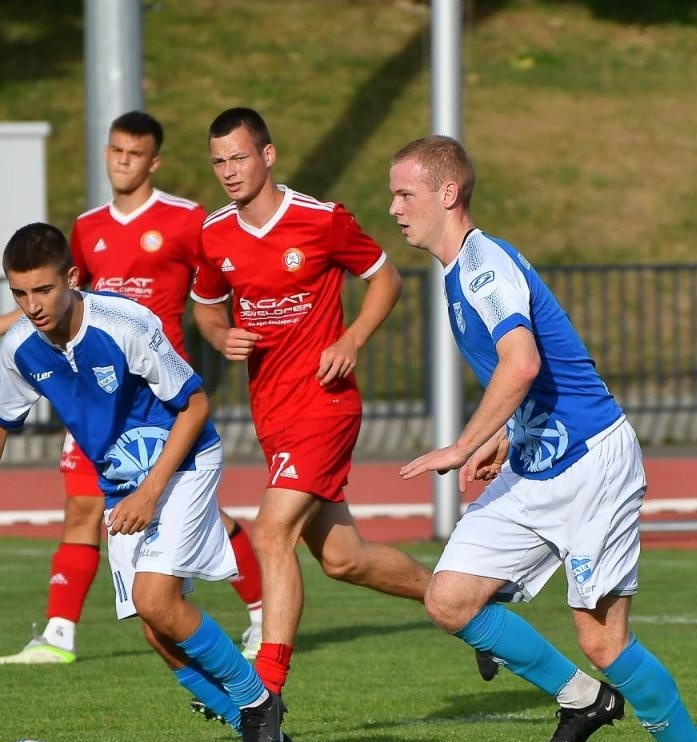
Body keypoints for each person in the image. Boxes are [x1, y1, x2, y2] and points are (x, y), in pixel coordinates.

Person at [388, 135, 697, 742]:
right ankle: (582, 700)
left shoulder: (484, 267)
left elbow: (523, 364)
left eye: (405, 194)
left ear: (447, 194)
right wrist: (509, 440)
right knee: (450, 599)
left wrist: (462, 444)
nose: (394, 208)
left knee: (602, 637)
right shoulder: (458, 273)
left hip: (592, 466)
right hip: (538, 464)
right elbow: (537, 378)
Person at [0, 222, 300, 742]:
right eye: (19, 294)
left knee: (154, 598)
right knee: (155, 628)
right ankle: (266, 735)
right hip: (124, 484)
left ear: (71, 279)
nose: (32, 306)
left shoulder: (125, 325)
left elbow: (194, 406)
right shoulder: (21, 346)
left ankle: (259, 706)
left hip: (185, 463)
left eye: (42, 290)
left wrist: (151, 492)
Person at [0, 111, 265, 666]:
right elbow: (53, 294)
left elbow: (220, 278)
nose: (121, 162)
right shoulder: (87, 227)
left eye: (133, 154)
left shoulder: (187, 219)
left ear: (152, 161)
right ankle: (60, 634)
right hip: (90, 392)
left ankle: (261, 617)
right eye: (114, 151)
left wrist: (232, 322)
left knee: (199, 521)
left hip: (155, 396)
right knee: (83, 510)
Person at [190, 107, 496, 695]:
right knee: (344, 560)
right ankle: (472, 609)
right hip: (272, 416)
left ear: (268, 155)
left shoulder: (320, 219)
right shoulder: (214, 233)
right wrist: (218, 333)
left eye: (239, 157)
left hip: (325, 406)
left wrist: (351, 339)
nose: (229, 171)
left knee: (270, 531)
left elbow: (386, 279)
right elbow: (206, 306)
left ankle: (265, 695)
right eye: (219, 161)